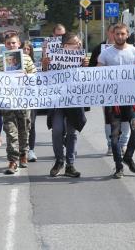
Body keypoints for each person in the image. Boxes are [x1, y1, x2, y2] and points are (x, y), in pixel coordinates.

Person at [97, 23, 135, 179]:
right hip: (112, 102)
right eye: (117, 34)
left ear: (127, 34)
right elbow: (97, 73)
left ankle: (128, 156)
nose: (120, 36)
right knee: (114, 137)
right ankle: (118, 166)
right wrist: (100, 71)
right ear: (112, 35)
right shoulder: (105, 54)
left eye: (123, 34)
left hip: (131, 101)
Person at [42, 33, 88, 178]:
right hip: (58, 101)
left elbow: (90, 79)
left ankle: (70, 165)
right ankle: (59, 161)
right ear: (64, 46)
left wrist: (85, 66)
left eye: (79, 44)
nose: (78, 46)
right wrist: (45, 65)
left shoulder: (81, 59)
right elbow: (44, 77)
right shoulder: (54, 58)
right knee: (57, 130)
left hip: (74, 101)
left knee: (72, 132)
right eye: (75, 43)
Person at [0, 33, 36, 174]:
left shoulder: (26, 59)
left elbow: (35, 78)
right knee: (11, 132)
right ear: (5, 45)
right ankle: (12, 161)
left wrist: (27, 76)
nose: (11, 45)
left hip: (24, 101)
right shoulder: (1, 61)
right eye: (8, 43)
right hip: (8, 102)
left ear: (19, 44)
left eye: (13, 43)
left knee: (24, 129)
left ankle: (23, 154)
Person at [89, 24, 131, 156]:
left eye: (120, 33)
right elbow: (92, 68)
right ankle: (110, 145)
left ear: (126, 34)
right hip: (107, 91)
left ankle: (123, 145)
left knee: (126, 118)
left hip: (126, 91)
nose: (117, 35)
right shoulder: (100, 49)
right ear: (109, 33)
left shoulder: (131, 49)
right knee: (109, 119)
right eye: (114, 32)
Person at [20, 40, 37, 162]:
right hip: (18, 98)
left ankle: (31, 150)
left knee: (31, 124)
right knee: (21, 126)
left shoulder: (35, 64)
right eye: (24, 49)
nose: (26, 51)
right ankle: (21, 151)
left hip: (31, 98)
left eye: (28, 49)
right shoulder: (13, 62)